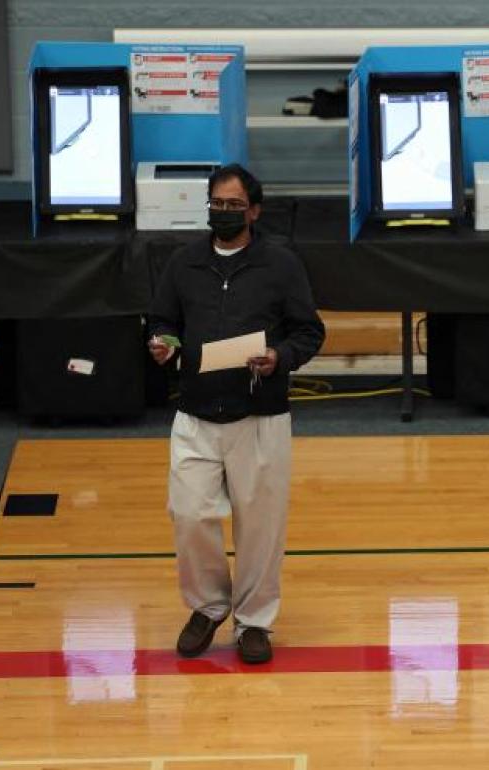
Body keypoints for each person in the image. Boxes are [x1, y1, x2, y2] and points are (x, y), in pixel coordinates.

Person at [148, 164, 325, 664]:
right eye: (216, 204)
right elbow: (163, 320)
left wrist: (279, 359)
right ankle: (207, 607)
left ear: (253, 210)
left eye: (232, 205)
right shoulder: (183, 264)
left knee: (261, 524)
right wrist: (162, 343)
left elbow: (308, 332)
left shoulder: (281, 264)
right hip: (197, 412)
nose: (223, 213)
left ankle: (254, 621)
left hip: (260, 414)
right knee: (189, 513)